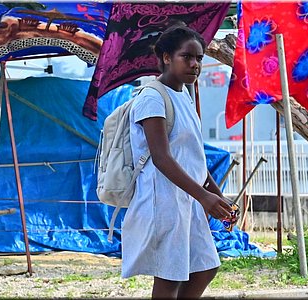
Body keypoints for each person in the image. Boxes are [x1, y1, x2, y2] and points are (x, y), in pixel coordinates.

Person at [120, 26, 234, 299]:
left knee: (205, 267)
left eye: (199, 58)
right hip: (164, 202)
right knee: (170, 278)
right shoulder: (152, 97)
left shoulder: (184, 95)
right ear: (166, 57)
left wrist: (217, 196)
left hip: (188, 200)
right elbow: (161, 157)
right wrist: (204, 197)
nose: (195, 64)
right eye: (187, 57)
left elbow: (192, 156)